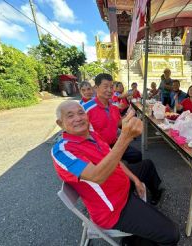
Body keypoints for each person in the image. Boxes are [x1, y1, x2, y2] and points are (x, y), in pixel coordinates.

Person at [51, 101, 178, 245]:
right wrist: (126, 136)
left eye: (81, 113)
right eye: (70, 115)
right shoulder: (62, 151)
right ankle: (133, 240)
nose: (78, 118)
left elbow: (114, 158)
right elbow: (97, 176)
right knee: (172, 234)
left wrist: (135, 179)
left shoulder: (92, 134)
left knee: (146, 165)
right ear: (60, 123)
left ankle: (154, 197)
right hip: (114, 209)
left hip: (121, 188)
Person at [83, 73, 142, 164]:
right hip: (98, 148)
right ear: (96, 88)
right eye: (105, 87)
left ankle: (128, 175)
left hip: (114, 144)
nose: (110, 90)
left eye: (111, 87)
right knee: (111, 168)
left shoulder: (113, 107)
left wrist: (129, 116)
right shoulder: (86, 109)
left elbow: (117, 123)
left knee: (136, 155)